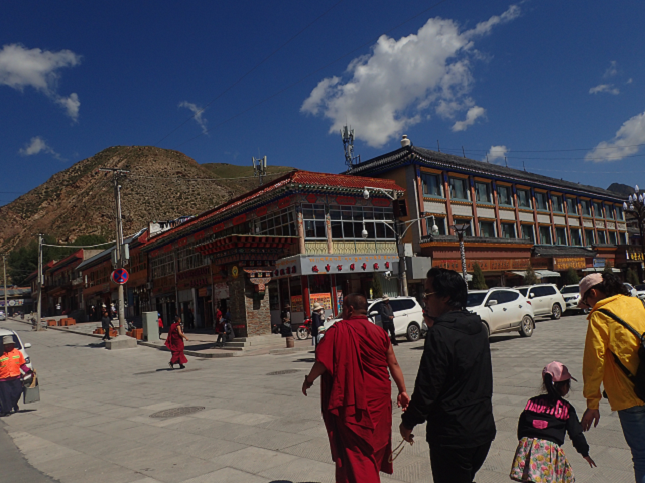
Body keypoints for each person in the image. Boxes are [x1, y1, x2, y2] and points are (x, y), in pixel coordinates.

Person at [400, 268, 496, 483]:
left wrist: (408, 422)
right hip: (482, 430)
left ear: (446, 297)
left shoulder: (440, 333)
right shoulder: (478, 327)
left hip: (453, 436)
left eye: (427, 294)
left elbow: (428, 387)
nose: (425, 300)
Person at [302, 293, 410, 483]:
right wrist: (403, 390)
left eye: (343, 308)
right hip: (379, 398)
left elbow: (322, 362)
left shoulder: (338, 330)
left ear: (349, 309)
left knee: (357, 455)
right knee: (373, 446)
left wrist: (309, 380)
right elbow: (393, 363)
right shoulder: (380, 333)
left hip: (352, 403)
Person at [578, 272, 645, 483]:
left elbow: (594, 363)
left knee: (642, 456)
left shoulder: (600, 316)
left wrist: (592, 403)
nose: (588, 306)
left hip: (628, 394)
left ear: (594, 293)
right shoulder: (637, 304)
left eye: (586, 301)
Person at [510, 361, 596, 482]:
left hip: (527, 447)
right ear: (565, 386)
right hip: (548, 451)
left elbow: (522, 424)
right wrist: (585, 453)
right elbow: (576, 434)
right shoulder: (566, 408)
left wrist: (525, 444)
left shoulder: (532, 401)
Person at [0, 335, 33, 416]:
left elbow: (22, 364)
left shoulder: (18, 352)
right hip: (3, 379)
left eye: (10, 344)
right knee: (6, 396)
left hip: (16, 378)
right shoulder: (1, 354)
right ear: (3, 345)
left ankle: (13, 404)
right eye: (7, 345)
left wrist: (28, 371)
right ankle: (7, 410)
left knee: (17, 392)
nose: (9, 346)